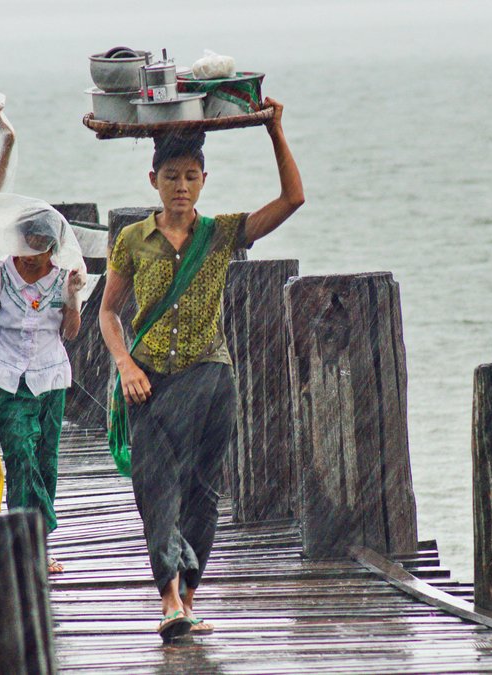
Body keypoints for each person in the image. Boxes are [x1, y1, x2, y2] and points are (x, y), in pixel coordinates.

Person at [98, 98, 304, 641]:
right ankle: (167, 599)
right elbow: (107, 313)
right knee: (154, 488)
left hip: (209, 379)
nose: (181, 187)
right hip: (147, 382)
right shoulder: (132, 240)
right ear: (154, 180)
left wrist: (274, 130)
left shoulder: (221, 234)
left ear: (204, 181)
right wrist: (124, 365)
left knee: (201, 491)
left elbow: (293, 198)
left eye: (191, 177)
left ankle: (186, 600)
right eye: (171, 177)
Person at [0, 208, 85, 573]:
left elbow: (70, 332)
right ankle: (34, 528)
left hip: (50, 376)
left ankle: (37, 547)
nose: (30, 258)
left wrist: (74, 298)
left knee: (45, 459)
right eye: (24, 248)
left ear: (52, 248)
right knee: (19, 450)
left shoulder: (64, 278)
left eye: (39, 251)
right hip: (8, 375)